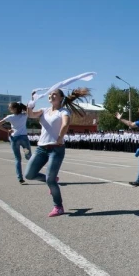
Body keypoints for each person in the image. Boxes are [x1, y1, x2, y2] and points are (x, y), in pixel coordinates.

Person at [25, 88, 91, 217]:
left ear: (61, 98)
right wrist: (31, 104)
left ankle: (58, 206)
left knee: (50, 181)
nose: (51, 95)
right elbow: (30, 115)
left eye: (54, 94)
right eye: (50, 94)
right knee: (29, 175)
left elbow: (66, 124)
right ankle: (51, 179)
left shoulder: (64, 111)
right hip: (41, 148)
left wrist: (60, 138)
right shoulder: (44, 110)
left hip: (56, 149)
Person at [0, 102, 32, 184]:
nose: (9, 109)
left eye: (10, 108)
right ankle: (32, 171)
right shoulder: (24, 115)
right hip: (23, 139)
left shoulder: (10, 117)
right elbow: (29, 109)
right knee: (28, 156)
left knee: (17, 159)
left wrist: (7, 130)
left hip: (15, 139)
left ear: (14, 109)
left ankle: (20, 178)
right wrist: (22, 105)